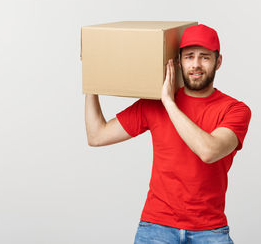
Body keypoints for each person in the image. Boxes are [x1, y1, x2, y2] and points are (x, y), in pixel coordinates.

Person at [85, 24, 251, 243]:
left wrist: (169, 103)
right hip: (156, 227)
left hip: (209, 230)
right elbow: (97, 135)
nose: (196, 65)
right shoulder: (152, 105)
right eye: (189, 57)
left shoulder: (235, 109)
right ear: (178, 60)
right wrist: (91, 81)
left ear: (218, 62)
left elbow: (208, 151)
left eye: (205, 57)